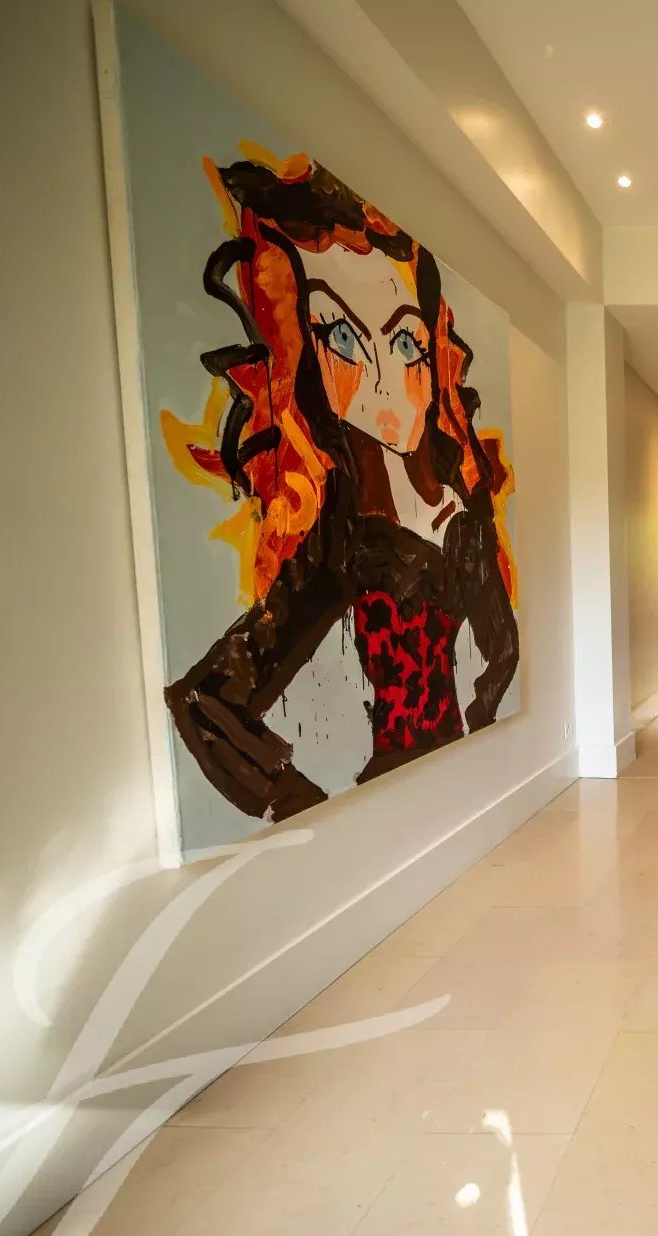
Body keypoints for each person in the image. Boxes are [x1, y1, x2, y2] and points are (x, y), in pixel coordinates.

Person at [166, 155, 519, 821]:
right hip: (394, 796)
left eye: (406, 343)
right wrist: (297, 801)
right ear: (306, 354)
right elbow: (205, 699)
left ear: (435, 350)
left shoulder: (464, 511)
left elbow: (499, 655)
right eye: (341, 339)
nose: (382, 381)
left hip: (463, 779)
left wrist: (490, 733)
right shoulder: (343, 531)